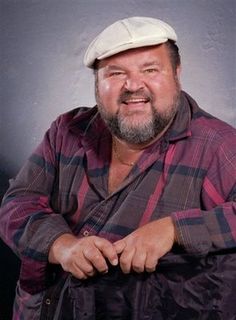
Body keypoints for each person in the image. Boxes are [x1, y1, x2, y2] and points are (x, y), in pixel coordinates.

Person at [0, 16, 236, 320]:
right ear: (98, 85)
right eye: (115, 73)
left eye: (150, 69)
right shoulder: (67, 130)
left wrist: (174, 229)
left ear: (177, 74)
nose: (133, 85)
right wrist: (62, 246)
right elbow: (16, 204)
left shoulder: (218, 145)